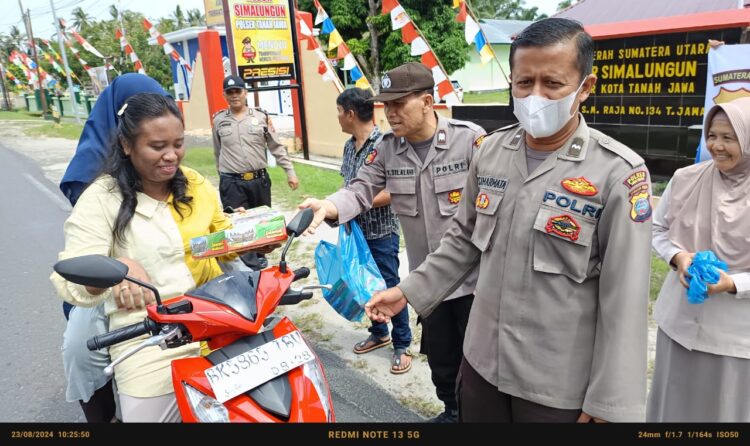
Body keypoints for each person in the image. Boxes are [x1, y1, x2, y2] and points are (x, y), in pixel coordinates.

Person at [365, 18, 652, 422]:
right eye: (523, 82)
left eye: (552, 84)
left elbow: (625, 298)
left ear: (585, 87)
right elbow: (462, 240)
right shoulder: (492, 151)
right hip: (483, 362)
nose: (535, 95)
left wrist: (610, 404)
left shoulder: (618, 173)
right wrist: (408, 291)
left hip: (555, 382)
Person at [51, 93, 272, 422]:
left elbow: (221, 236)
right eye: (157, 146)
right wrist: (119, 267)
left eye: (179, 144)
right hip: (146, 336)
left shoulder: (196, 184)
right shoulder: (101, 198)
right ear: (127, 145)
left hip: (219, 319)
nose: (172, 156)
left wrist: (252, 240)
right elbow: (72, 277)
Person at [300, 62, 485, 422]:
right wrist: (329, 206)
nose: (391, 113)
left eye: (400, 103)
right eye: (387, 104)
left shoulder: (469, 140)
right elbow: (361, 189)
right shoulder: (388, 149)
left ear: (428, 101)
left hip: (475, 283)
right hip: (424, 285)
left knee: (478, 365)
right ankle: (451, 411)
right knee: (442, 359)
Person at [57, 74, 169, 422]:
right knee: (79, 346)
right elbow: (88, 244)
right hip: (110, 277)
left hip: (165, 271)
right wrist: (118, 265)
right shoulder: (91, 175)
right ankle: (101, 418)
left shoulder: (166, 156)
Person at [647, 97, 750, 422]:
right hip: (678, 324)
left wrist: (733, 283)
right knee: (672, 410)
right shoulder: (686, 178)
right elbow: (656, 228)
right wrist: (678, 257)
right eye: (712, 136)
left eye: (729, 138)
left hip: (735, 339)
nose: (717, 146)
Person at [335, 87, 412, 374]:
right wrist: (342, 209)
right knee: (363, 285)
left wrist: (356, 205)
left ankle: (402, 343)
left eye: (340, 113)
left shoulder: (386, 144)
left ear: (351, 114)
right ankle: (380, 333)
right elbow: (349, 187)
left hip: (382, 232)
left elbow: (395, 190)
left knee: (390, 287)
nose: (338, 118)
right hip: (356, 232)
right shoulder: (348, 146)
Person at [213, 74, 299, 270]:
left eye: (238, 91)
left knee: (260, 226)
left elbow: (276, 146)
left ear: (245, 92)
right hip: (232, 182)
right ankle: (250, 268)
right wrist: (224, 178)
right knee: (239, 226)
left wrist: (290, 171)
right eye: (230, 92)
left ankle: (259, 260)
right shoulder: (219, 121)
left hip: (259, 181)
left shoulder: (261, 117)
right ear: (225, 95)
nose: (234, 95)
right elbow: (217, 151)